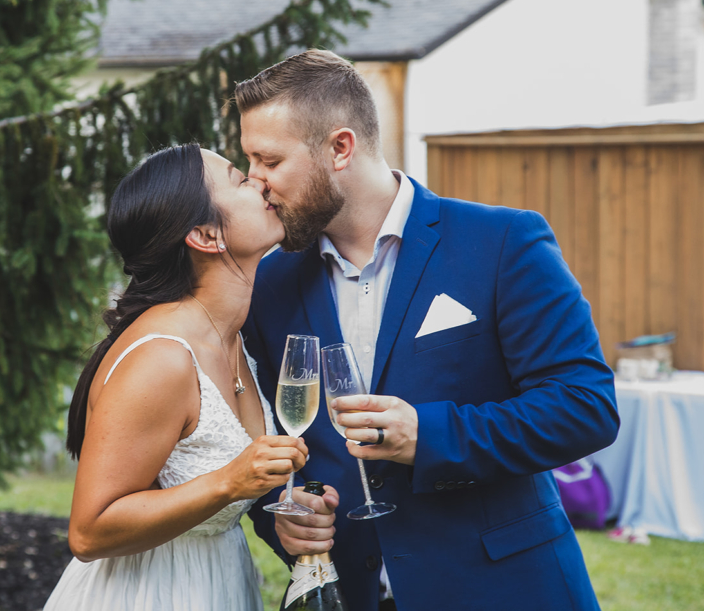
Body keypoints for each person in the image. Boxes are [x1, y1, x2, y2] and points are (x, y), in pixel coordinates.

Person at [238, 50, 620, 611]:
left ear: (340, 148)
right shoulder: (269, 284)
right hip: (356, 592)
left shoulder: (502, 243)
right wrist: (281, 517)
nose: (256, 182)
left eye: (268, 160)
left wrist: (430, 436)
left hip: (504, 590)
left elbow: (585, 407)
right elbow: (267, 437)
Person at [44, 143, 306, 611]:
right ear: (206, 235)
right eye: (239, 179)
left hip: (220, 582)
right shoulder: (163, 357)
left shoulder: (233, 336)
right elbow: (88, 532)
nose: (260, 180)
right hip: (147, 594)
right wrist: (230, 481)